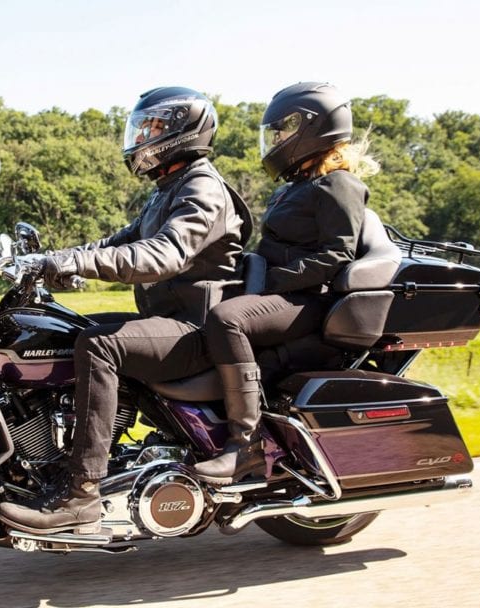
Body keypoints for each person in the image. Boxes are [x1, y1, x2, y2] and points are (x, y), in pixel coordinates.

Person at [0, 86, 253, 534]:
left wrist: (76, 263)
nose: (143, 137)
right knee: (64, 331)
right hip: (167, 321)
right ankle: (55, 461)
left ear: (182, 132)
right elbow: (116, 243)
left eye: (154, 127)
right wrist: (50, 261)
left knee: (99, 346)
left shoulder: (203, 188)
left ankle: (82, 494)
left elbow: (162, 255)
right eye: (143, 127)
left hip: (195, 329)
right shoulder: (168, 188)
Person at [192, 82, 381, 484]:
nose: (277, 139)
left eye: (284, 129)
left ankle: (246, 444)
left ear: (314, 128)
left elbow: (335, 255)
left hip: (307, 300)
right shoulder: (299, 186)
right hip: (280, 294)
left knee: (228, 319)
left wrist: (271, 282)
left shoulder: (339, 184)